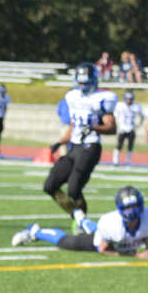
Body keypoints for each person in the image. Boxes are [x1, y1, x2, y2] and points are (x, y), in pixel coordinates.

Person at [43, 63, 116, 219]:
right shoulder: (72, 97)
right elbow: (74, 125)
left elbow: (111, 127)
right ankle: (79, 218)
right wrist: (61, 142)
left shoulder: (102, 98)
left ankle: (81, 224)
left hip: (91, 147)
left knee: (73, 189)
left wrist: (94, 128)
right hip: (74, 147)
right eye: (80, 82)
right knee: (50, 185)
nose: (83, 86)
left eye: (86, 82)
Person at [12, 185, 148, 258]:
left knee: (97, 229)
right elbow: (103, 248)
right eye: (128, 208)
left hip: (107, 234)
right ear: (120, 210)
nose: (131, 212)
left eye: (134, 207)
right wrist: (130, 255)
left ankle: (82, 219)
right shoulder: (113, 226)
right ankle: (35, 231)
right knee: (65, 242)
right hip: (97, 242)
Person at [112, 90, 142, 166]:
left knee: (130, 146)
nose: (129, 100)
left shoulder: (136, 106)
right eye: (128, 99)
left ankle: (128, 161)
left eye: (130, 99)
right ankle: (115, 161)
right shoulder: (120, 106)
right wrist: (118, 125)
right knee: (119, 145)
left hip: (131, 128)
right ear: (125, 98)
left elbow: (141, 117)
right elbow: (115, 116)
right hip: (122, 128)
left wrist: (138, 125)